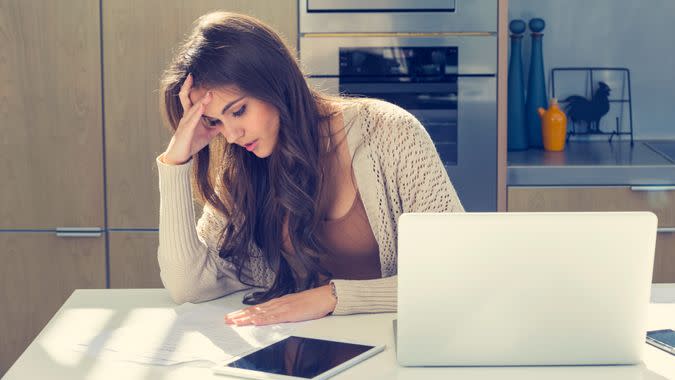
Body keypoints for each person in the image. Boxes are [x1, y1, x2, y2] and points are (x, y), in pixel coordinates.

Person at [156, 11, 464, 326]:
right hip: (304, 350)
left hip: (395, 348)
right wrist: (176, 162)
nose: (232, 136)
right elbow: (187, 285)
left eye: (238, 111)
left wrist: (332, 297)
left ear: (273, 83)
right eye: (216, 122)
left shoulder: (390, 133)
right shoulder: (246, 168)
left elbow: (457, 273)